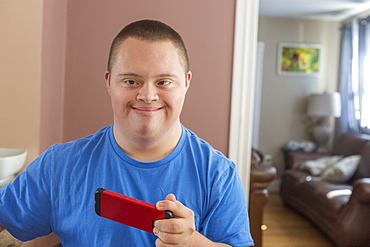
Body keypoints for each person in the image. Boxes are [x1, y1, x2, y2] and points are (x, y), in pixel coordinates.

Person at [0, 19, 254, 247]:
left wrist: (192, 242)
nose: (147, 96)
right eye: (131, 81)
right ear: (109, 82)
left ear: (186, 83)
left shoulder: (219, 175)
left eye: (164, 81)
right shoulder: (59, 166)